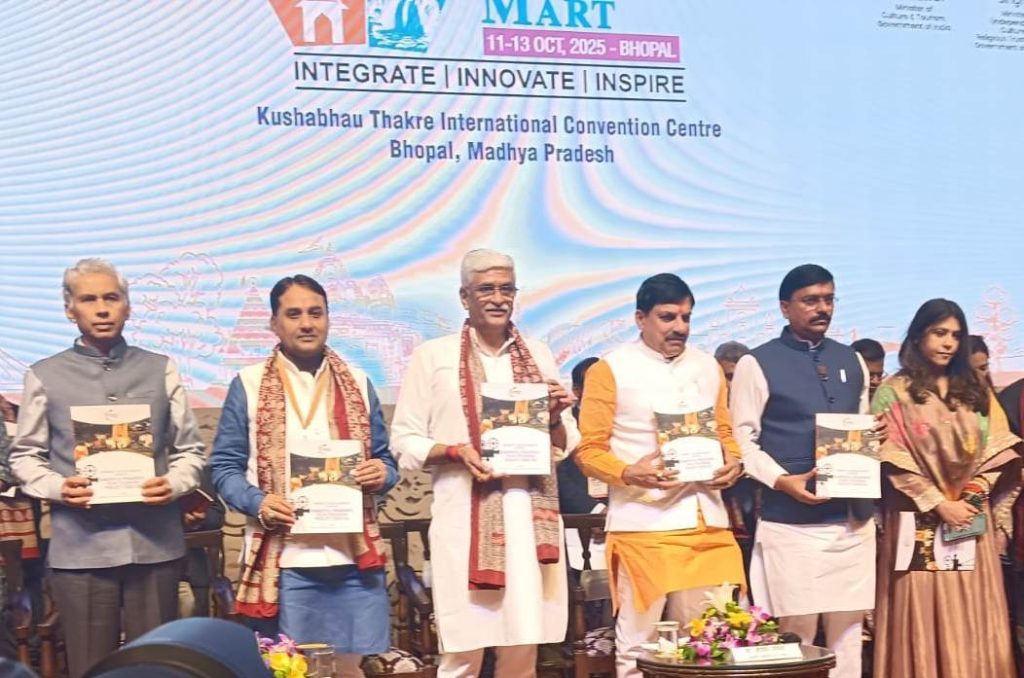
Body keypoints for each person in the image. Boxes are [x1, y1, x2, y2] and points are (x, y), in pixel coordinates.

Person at [9, 258, 206, 678]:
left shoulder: (160, 367)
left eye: (111, 298)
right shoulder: (43, 375)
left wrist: (173, 484)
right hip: (81, 549)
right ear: (70, 310)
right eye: (89, 300)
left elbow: (191, 451)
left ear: (127, 307)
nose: (101, 309)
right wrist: (59, 487)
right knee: (91, 667)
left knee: (156, 668)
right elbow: (23, 457)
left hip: (155, 544)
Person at [390, 249, 578, 678]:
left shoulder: (538, 354)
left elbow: (564, 443)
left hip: (529, 520)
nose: (498, 298)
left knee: (523, 652)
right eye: (486, 289)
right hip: (465, 521)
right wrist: (455, 451)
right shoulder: (433, 356)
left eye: (506, 289)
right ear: (464, 297)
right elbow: (404, 441)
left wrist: (552, 416)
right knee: (463, 654)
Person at [210, 275, 397, 678]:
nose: (307, 323)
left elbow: (386, 460)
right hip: (285, 556)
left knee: (349, 669)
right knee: (289, 669)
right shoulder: (248, 384)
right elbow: (223, 467)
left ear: (328, 318)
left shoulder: (359, 382)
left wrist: (382, 472)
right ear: (274, 323)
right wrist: (259, 502)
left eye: (316, 313)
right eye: (293, 314)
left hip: (352, 556)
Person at [576, 273, 746, 678]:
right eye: (668, 317)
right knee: (641, 645)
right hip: (644, 525)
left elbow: (724, 433)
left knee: (712, 642)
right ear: (641, 318)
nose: (680, 327)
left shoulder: (707, 366)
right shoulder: (610, 369)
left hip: (708, 523)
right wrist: (627, 471)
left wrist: (734, 462)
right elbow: (588, 450)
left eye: (686, 317)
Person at [730, 264, 876, 678]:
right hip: (790, 523)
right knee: (797, 634)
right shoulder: (756, 363)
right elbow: (742, 440)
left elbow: (859, 426)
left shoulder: (851, 359)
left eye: (829, 299)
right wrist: (781, 481)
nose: (822, 308)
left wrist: (873, 435)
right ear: (785, 307)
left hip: (851, 521)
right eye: (811, 300)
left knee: (849, 634)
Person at [871, 299, 1021, 677]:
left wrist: (971, 496)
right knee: (920, 613)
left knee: (974, 613)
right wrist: (939, 503)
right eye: (939, 333)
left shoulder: (975, 389)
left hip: (969, 517)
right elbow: (889, 456)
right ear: (918, 335)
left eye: (956, 335)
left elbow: (998, 449)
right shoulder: (894, 391)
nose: (949, 343)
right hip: (916, 516)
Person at [559, 357, 601, 515]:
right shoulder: (563, 425)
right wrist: (595, 510)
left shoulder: (624, 423)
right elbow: (558, 474)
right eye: (597, 385)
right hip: (578, 516)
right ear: (577, 390)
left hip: (622, 511)